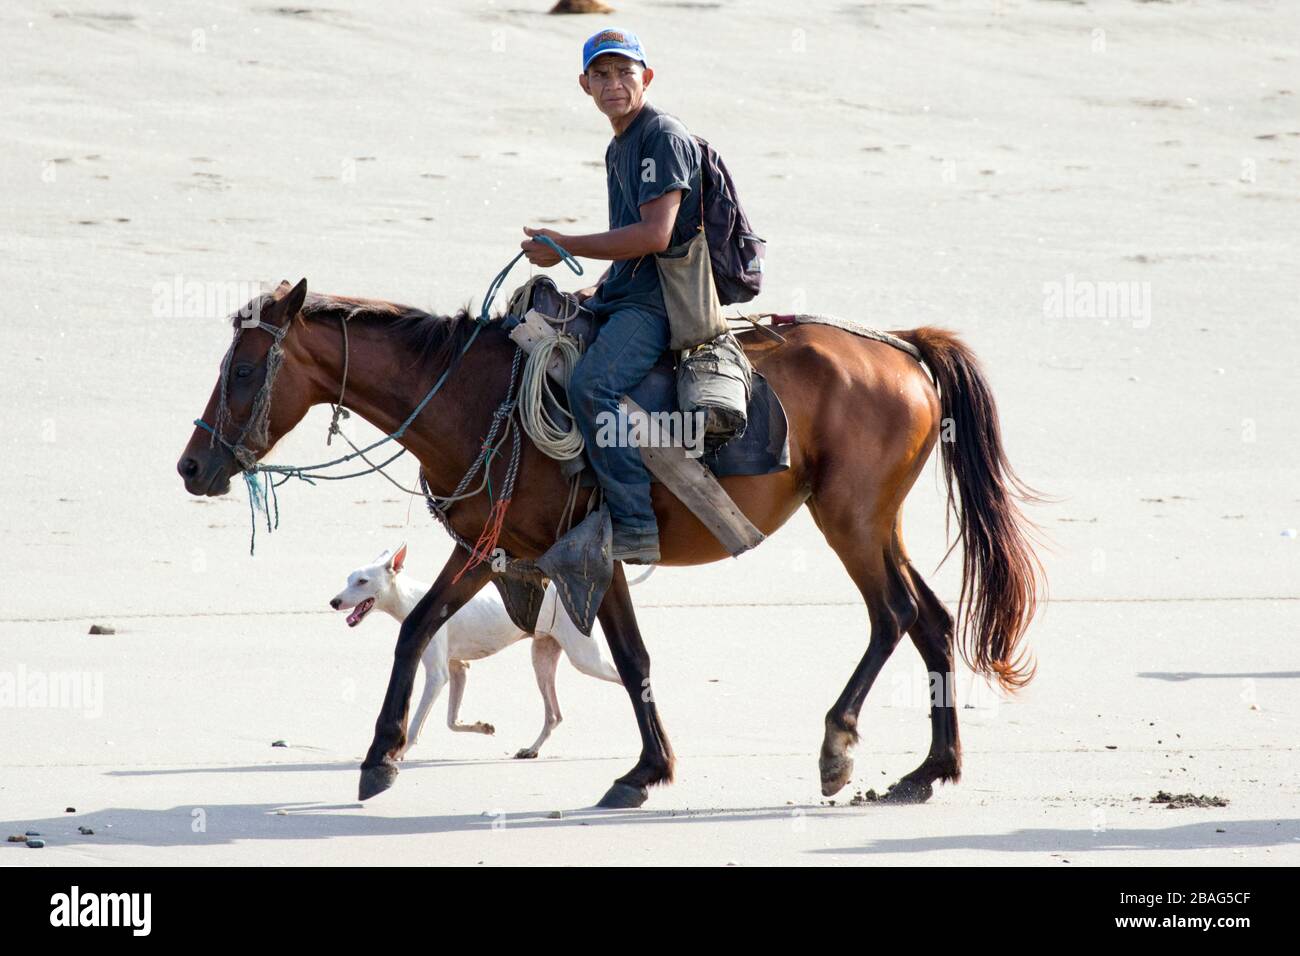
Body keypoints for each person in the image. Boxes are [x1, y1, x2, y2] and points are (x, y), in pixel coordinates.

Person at [521, 27, 703, 565]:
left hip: (658, 304)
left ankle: (634, 522)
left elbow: (654, 236)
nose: (614, 83)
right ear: (585, 85)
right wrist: (598, 284)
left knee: (592, 385)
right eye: (601, 74)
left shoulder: (661, 135)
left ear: (646, 77)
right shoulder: (619, 144)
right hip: (624, 292)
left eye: (625, 72)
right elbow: (630, 235)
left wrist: (567, 245)